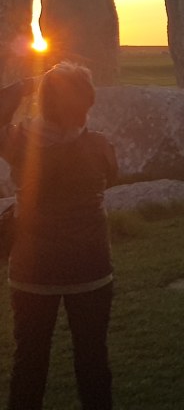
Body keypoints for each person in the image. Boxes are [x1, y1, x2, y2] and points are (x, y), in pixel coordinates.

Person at [0, 62, 118, 410]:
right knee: (93, 359)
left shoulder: (19, 142)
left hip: (33, 270)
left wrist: (25, 86)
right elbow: (112, 177)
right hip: (92, 268)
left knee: (30, 361)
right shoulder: (99, 146)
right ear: (87, 103)